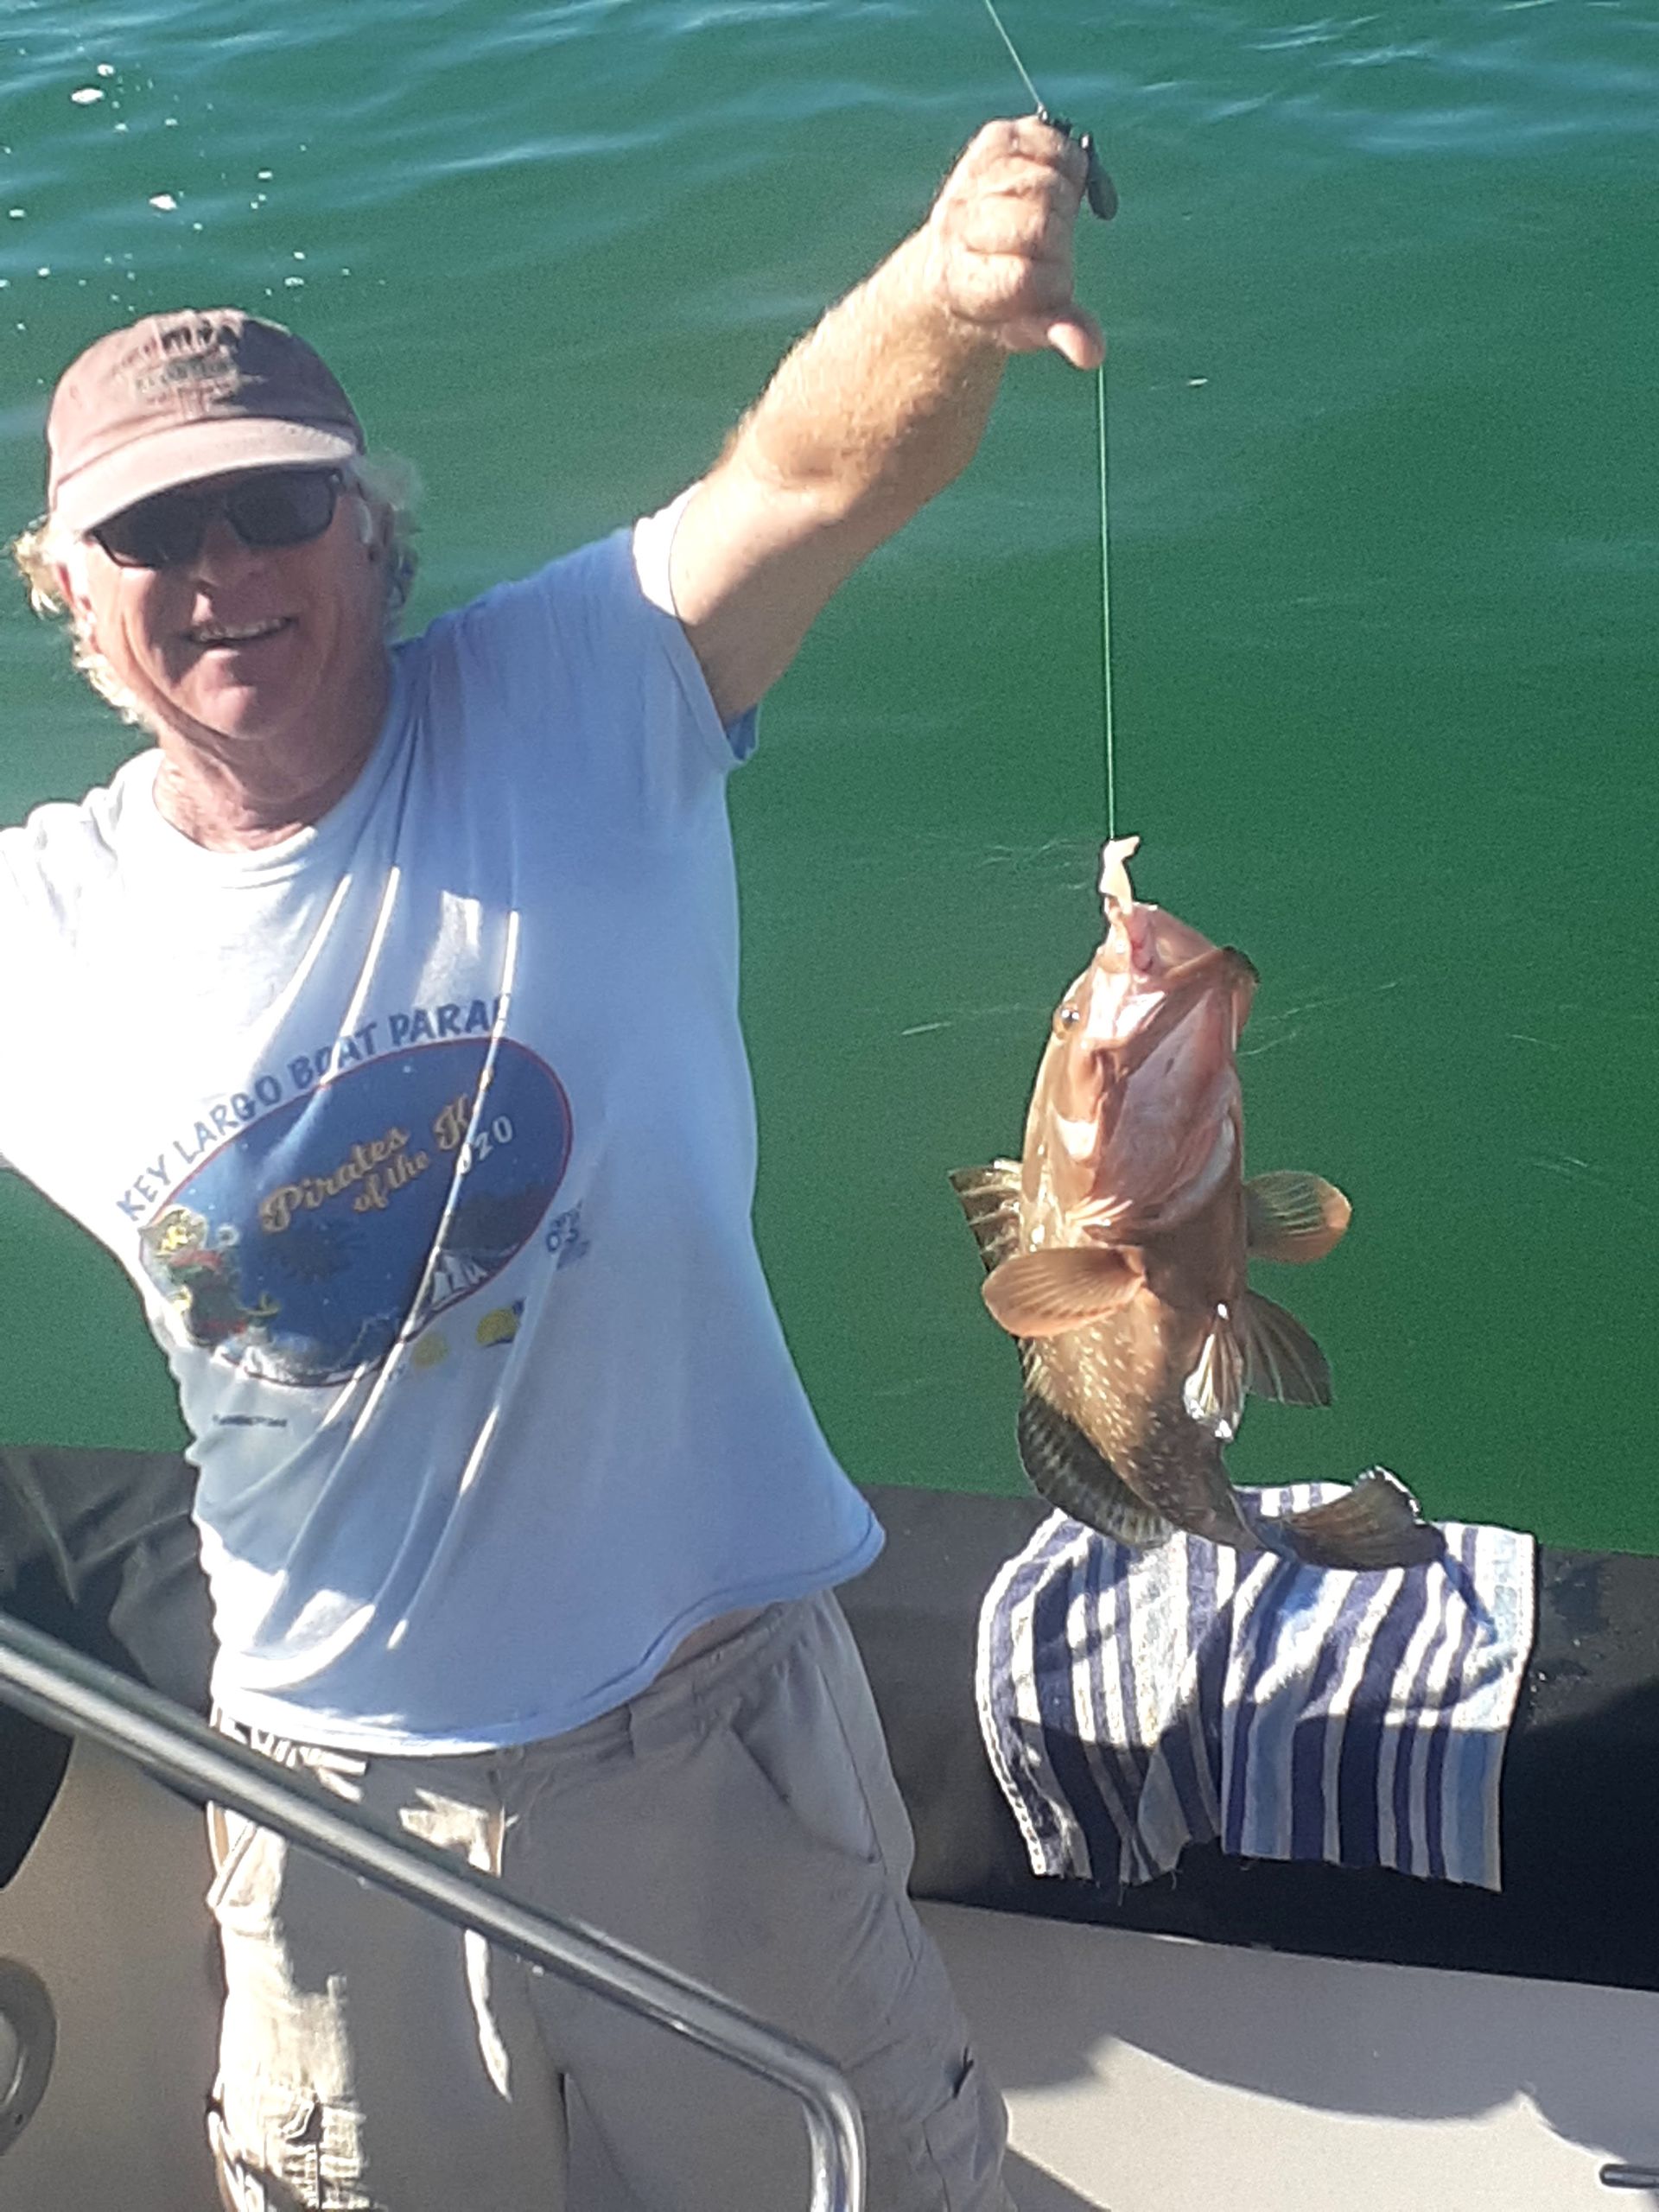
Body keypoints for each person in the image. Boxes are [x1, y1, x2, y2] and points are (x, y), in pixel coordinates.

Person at [4, 118, 1100, 2212]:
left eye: (272, 504)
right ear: (71, 590)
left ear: (372, 530)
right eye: (155, 535)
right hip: (331, 1800)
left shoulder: (587, 690)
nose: (223, 570)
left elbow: (809, 469)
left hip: (722, 1746)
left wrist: (951, 292)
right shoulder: (30, 934)